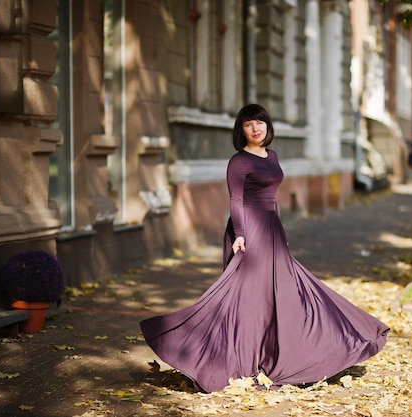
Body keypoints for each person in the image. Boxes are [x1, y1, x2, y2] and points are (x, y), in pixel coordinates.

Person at [140, 104, 390, 393]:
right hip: (249, 232)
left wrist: (279, 231)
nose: (256, 128)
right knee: (245, 297)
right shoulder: (238, 162)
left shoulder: (272, 156)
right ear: (241, 130)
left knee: (279, 295)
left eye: (260, 122)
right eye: (248, 124)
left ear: (268, 126)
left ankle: (293, 352)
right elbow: (235, 201)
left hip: (271, 230)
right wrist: (241, 234)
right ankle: (214, 356)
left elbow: (272, 199)